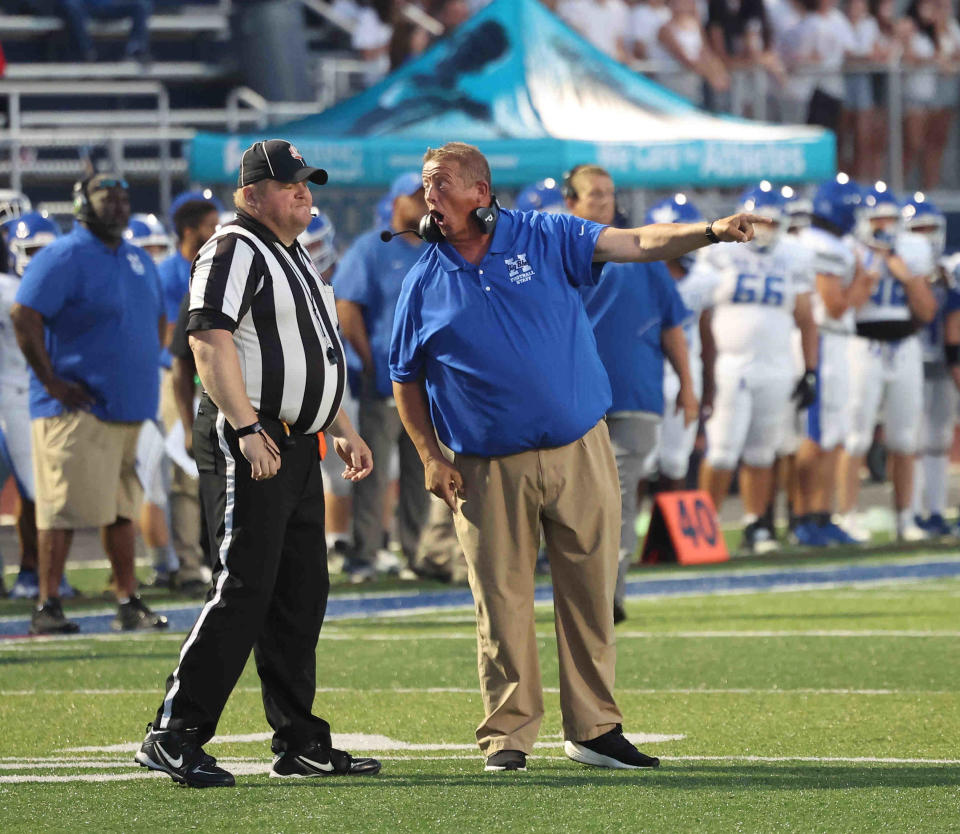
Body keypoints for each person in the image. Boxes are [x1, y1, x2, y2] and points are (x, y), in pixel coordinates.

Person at [390, 141, 765, 773]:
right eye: (427, 186)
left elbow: (640, 243)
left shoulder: (544, 234)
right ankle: (507, 736)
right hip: (485, 463)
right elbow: (405, 376)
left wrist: (709, 232)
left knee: (591, 592)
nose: (430, 197)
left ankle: (594, 729)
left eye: (443, 184)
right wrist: (429, 453)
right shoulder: (422, 277)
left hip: (579, 447)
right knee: (500, 603)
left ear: (481, 193)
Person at [136, 139, 379, 789]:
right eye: (290, 183)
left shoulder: (293, 254)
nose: (305, 192)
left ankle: (299, 739)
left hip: (300, 439)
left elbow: (315, 356)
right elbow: (207, 336)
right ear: (250, 194)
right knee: (246, 585)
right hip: (258, 435)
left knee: (301, 594)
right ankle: (174, 731)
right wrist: (245, 426)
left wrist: (343, 426)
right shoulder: (234, 245)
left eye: (308, 183)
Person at [10, 174, 168, 635]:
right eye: (107, 199)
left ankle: (126, 598)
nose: (118, 207)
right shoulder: (62, 255)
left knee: (121, 509)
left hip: (130, 407)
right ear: (83, 203)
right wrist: (52, 381)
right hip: (76, 408)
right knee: (61, 510)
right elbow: (24, 316)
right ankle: (48, 604)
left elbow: (156, 318)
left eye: (123, 199)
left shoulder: (138, 258)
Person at [565, 165, 697, 625]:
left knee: (616, 498)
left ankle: (608, 596)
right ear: (571, 204)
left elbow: (672, 326)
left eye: (609, 194)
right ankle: (586, 591)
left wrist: (688, 383)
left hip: (634, 395)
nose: (605, 201)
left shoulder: (645, 257)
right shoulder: (557, 255)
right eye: (594, 195)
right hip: (571, 400)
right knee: (573, 501)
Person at [696, 183, 818, 553]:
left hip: (776, 364)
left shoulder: (795, 255)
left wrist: (809, 369)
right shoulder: (718, 251)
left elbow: (806, 319)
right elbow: (703, 312)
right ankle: (704, 528)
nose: (765, 228)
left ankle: (755, 524)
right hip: (729, 364)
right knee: (721, 451)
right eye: (758, 220)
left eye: (772, 221)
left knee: (762, 452)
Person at [335, 171, 431, 582]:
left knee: (425, 471)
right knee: (371, 472)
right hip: (384, 381)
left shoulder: (436, 249)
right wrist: (370, 363)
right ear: (396, 203)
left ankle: (417, 552)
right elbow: (347, 308)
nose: (425, 204)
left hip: (429, 384)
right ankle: (365, 553)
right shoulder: (372, 248)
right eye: (415, 197)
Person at [838, 182, 936, 541]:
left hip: (904, 345)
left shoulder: (911, 249)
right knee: (855, 436)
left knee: (905, 438)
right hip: (862, 345)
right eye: (878, 219)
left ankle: (905, 518)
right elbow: (843, 307)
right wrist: (868, 277)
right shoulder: (849, 250)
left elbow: (926, 310)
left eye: (891, 219)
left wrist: (906, 276)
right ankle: (847, 515)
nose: (885, 226)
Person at [153, 199, 221, 593]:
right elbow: (165, 334)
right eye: (210, 225)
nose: (216, 231)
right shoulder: (167, 274)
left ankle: (212, 559)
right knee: (183, 475)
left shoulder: (216, 264)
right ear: (189, 229)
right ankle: (187, 564)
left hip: (210, 380)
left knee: (214, 473)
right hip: (176, 376)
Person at [646, 194, 718, 492]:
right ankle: (628, 532)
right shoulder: (635, 273)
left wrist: (710, 386)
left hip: (684, 375)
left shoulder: (703, 279)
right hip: (645, 373)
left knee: (675, 462)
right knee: (640, 462)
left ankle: (665, 536)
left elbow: (706, 335)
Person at [906, 195, 959, 535]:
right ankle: (910, 514)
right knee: (909, 440)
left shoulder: (950, 268)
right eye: (918, 228)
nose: (925, 235)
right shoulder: (899, 262)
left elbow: (954, 314)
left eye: (930, 228)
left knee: (939, 437)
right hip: (908, 355)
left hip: (941, 358)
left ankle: (937, 511)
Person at [54, 0, 154, 62]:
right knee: (70, 4)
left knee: (140, 5)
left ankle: (135, 50)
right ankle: (87, 53)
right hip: (81, 7)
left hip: (108, 6)